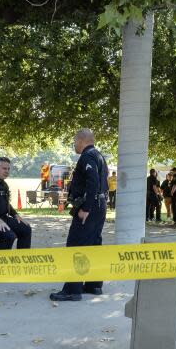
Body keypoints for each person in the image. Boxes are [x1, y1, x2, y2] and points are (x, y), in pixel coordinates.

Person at [50, 128, 109, 302]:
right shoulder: (99, 156)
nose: (74, 145)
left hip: (90, 208)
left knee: (75, 246)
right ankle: (93, 285)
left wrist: (86, 208)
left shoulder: (87, 156)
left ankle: (72, 290)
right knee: (94, 244)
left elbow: (93, 182)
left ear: (81, 140)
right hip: (100, 205)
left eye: (75, 141)